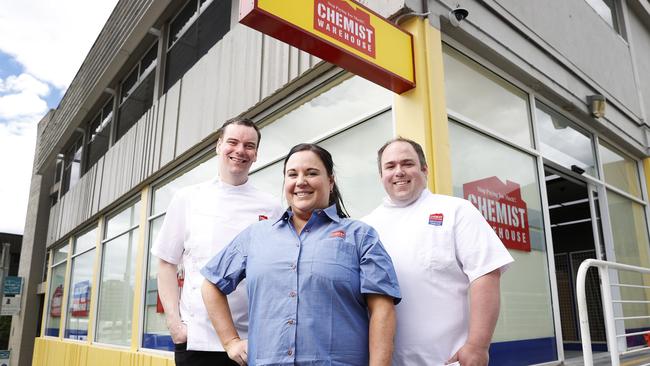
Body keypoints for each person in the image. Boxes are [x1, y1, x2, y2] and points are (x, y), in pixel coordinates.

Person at [201, 143, 401, 366]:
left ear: (330, 181)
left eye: (312, 173)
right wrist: (231, 342)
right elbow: (211, 284)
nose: (301, 181)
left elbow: (382, 310)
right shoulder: (255, 236)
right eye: (292, 174)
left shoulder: (361, 236)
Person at [363, 138, 514, 366]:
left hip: (449, 360)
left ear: (425, 169)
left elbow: (485, 275)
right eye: (390, 166)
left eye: (407, 163)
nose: (399, 172)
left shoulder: (456, 211)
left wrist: (477, 346)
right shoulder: (366, 227)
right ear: (380, 175)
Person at [151, 118, 284, 366]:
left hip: (251, 342)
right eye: (232, 142)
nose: (240, 151)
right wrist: (176, 326)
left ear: (256, 155)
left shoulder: (271, 206)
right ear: (218, 146)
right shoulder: (188, 198)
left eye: (249, 145)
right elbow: (166, 263)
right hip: (197, 340)